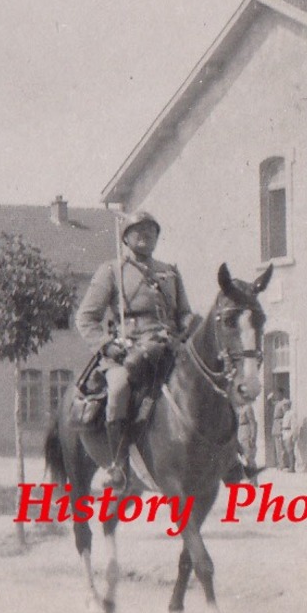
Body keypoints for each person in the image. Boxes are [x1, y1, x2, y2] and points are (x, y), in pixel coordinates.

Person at [74, 210, 193, 490]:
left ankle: (231, 457)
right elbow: (85, 318)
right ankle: (117, 464)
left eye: (152, 229)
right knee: (118, 389)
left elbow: (184, 313)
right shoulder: (112, 271)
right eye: (138, 230)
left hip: (170, 347)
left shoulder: (170, 272)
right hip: (130, 350)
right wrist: (108, 346)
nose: (146, 234)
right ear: (125, 237)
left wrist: (189, 326)